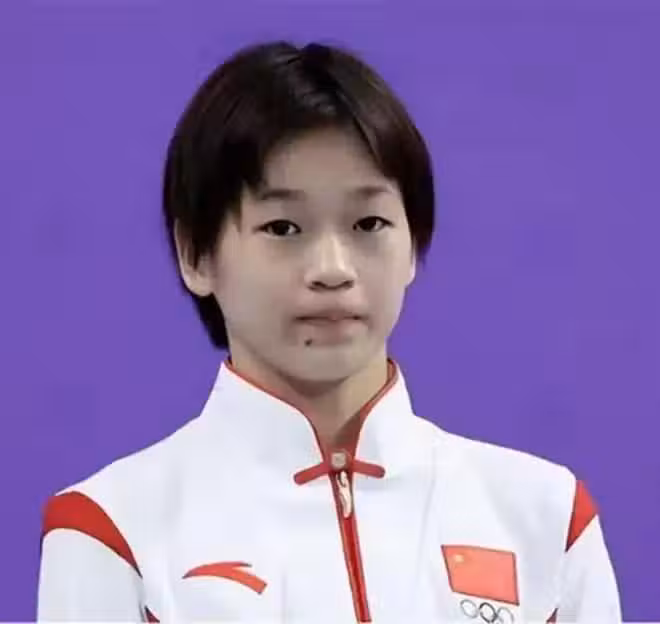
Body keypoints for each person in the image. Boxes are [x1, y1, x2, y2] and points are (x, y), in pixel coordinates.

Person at [36, 40, 621, 622]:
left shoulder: (545, 520)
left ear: (413, 245)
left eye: (369, 223)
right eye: (283, 227)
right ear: (196, 255)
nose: (333, 269)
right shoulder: (113, 531)